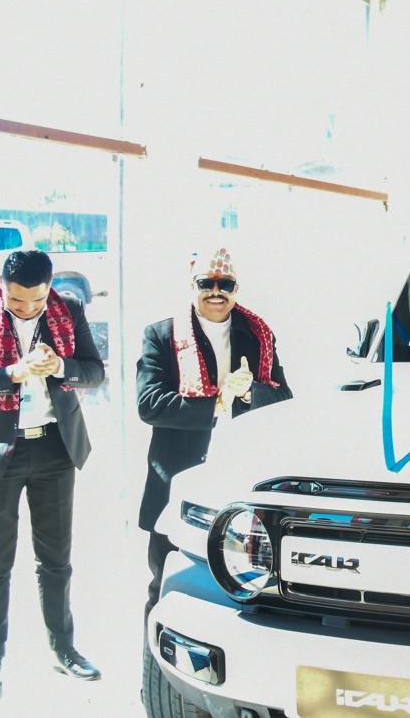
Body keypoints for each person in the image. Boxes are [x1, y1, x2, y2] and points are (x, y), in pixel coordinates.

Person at [0, 251, 104, 706]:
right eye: (16, 301)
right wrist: (12, 373)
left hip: (54, 447)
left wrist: (61, 367)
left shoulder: (70, 310)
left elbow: (94, 371)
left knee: (56, 560)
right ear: (1, 286)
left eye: (36, 300)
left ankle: (63, 649)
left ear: (50, 288)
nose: (26, 309)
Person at [136, 247, 291, 620]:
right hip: (178, 478)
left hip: (239, 482)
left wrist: (251, 391)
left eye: (226, 284)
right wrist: (218, 403)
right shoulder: (162, 335)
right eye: (207, 283)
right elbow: (149, 403)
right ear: (192, 286)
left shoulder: (257, 335)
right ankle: (155, 659)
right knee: (166, 585)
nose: (216, 292)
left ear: (237, 289)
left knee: (244, 591)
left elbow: (284, 399)